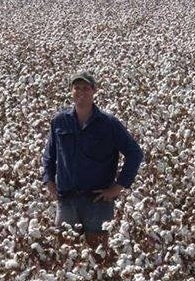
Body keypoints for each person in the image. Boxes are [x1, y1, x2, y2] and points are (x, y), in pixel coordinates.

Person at [42, 71, 144, 248]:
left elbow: (135, 153)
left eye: (86, 88)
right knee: (66, 252)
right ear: (71, 91)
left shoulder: (109, 123)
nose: (81, 92)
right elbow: (49, 155)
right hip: (67, 198)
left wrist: (117, 188)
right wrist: (49, 181)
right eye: (77, 88)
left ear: (94, 90)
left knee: (98, 253)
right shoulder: (59, 121)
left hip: (97, 201)